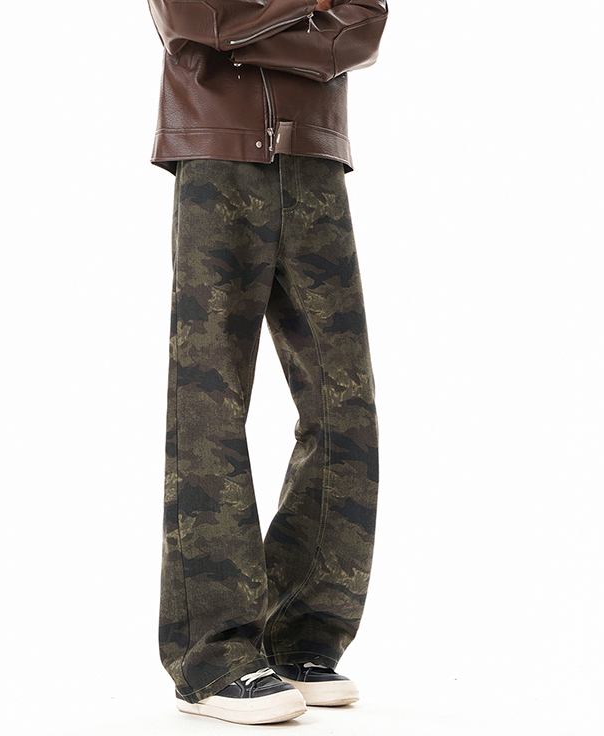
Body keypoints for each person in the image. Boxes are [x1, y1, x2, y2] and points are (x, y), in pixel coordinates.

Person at [144, 0, 388, 724]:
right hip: (217, 151)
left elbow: (364, 27)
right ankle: (210, 658)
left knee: (345, 405)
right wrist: (311, 8)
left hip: (316, 156)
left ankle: (299, 633)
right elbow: (199, 18)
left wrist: (256, 26)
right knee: (210, 397)